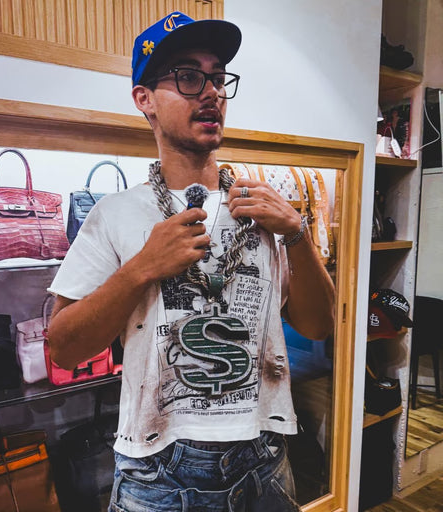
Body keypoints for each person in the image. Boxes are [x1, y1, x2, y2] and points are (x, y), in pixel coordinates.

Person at [47, 11, 335, 512]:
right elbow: (64, 349)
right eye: (187, 77)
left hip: (264, 459)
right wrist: (143, 267)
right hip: (158, 470)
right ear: (144, 99)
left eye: (218, 78)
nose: (211, 93)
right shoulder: (115, 214)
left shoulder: (262, 209)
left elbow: (318, 324)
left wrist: (297, 232)